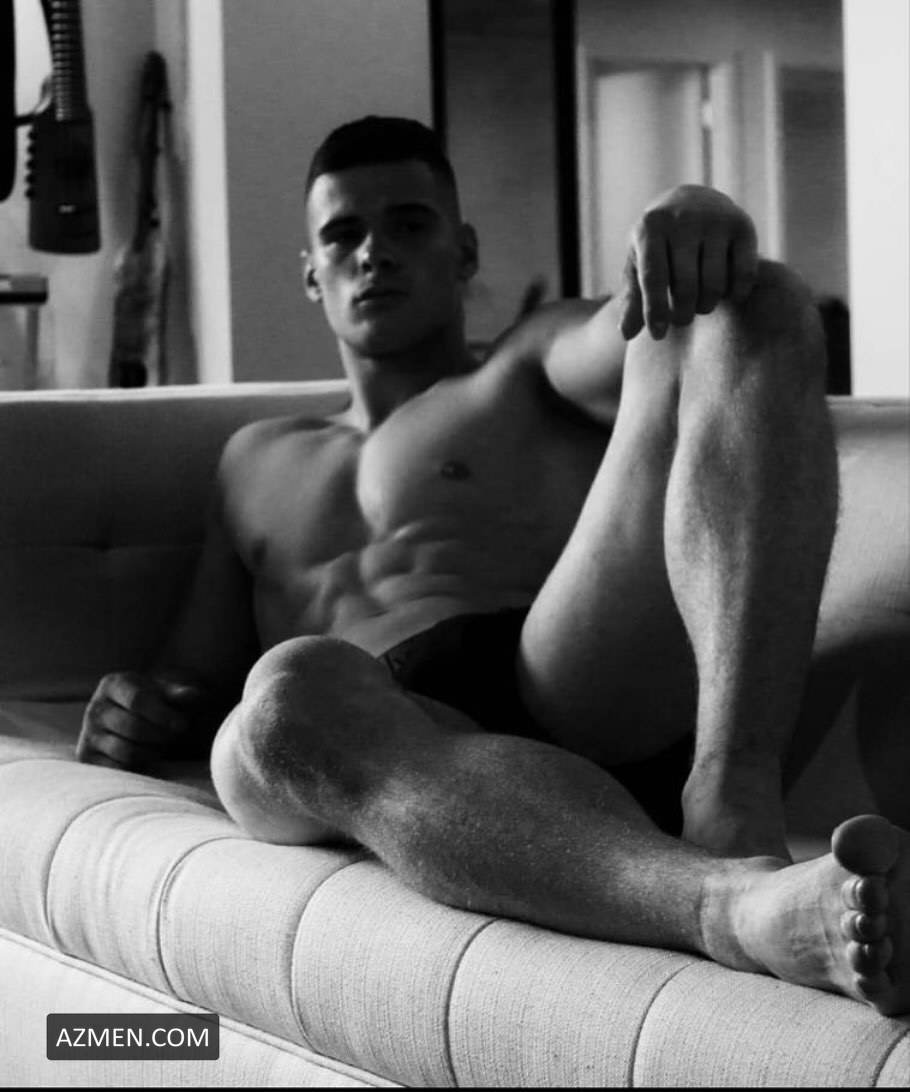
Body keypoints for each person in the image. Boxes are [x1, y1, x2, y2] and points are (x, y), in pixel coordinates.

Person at [77, 116, 909, 1016]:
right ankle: (726, 906)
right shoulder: (253, 459)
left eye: (409, 224)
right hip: (365, 721)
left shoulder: (522, 367)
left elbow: (643, 324)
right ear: (311, 271)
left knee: (754, 296)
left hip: (554, 677)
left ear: (463, 251)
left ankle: (732, 806)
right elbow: (189, 678)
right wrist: (133, 703)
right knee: (281, 700)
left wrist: (692, 212)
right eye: (344, 234)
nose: (374, 252)